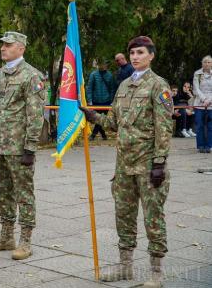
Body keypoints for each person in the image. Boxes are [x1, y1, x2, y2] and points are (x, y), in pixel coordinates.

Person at [80, 36, 173, 287]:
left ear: (151, 56)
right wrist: (92, 116)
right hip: (123, 167)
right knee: (124, 217)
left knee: (153, 218)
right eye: (132, 53)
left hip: (148, 166)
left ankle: (156, 273)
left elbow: (164, 128)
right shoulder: (123, 87)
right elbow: (113, 123)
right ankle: (126, 267)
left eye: (140, 52)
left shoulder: (158, 86)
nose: (135, 57)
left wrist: (159, 163)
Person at [0, 31, 45, 260]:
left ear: (21, 48)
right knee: (3, 191)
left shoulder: (31, 75)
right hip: (0, 145)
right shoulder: (0, 74)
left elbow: (35, 114)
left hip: (19, 147)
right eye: (2, 45)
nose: (3, 48)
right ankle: (6, 235)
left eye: (8, 45)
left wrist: (30, 147)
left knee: (24, 193)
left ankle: (25, 239)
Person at [86, 59, 116, 140]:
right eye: (101, 64)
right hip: (96, 100)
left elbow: (112, 89)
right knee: (97, 118)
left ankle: (94, 135)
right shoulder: (93, 75)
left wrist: (112, 100)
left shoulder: (109, 75)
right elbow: (89, 88)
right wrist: (90, 100)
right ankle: (102, 135)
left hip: (106, 101)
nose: (103, 66)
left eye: (104, 64)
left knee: (102, 118)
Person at [193, 55, 212, 153]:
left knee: (210, 126)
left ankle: (208, 146)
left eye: (209, 62)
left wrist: (209, 100)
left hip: (211, 104)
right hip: (199, 103)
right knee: (199, 125)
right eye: (205, 62)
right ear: (202, 63)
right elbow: (196, 88)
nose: (207, 64)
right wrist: (204, 99)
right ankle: (200, 145)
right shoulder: (197, 74)